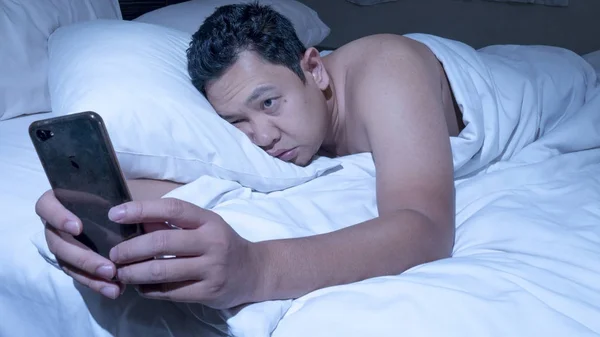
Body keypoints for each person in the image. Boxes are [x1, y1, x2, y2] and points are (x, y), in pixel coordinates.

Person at [36, 2, 460, 309]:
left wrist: (259, 268)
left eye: (269, 103)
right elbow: (200, 174)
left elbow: (426, 228)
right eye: (237, 121)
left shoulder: (387, 71)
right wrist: (75, 206)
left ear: (314, 69)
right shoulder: (280, 131)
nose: (261, 137)